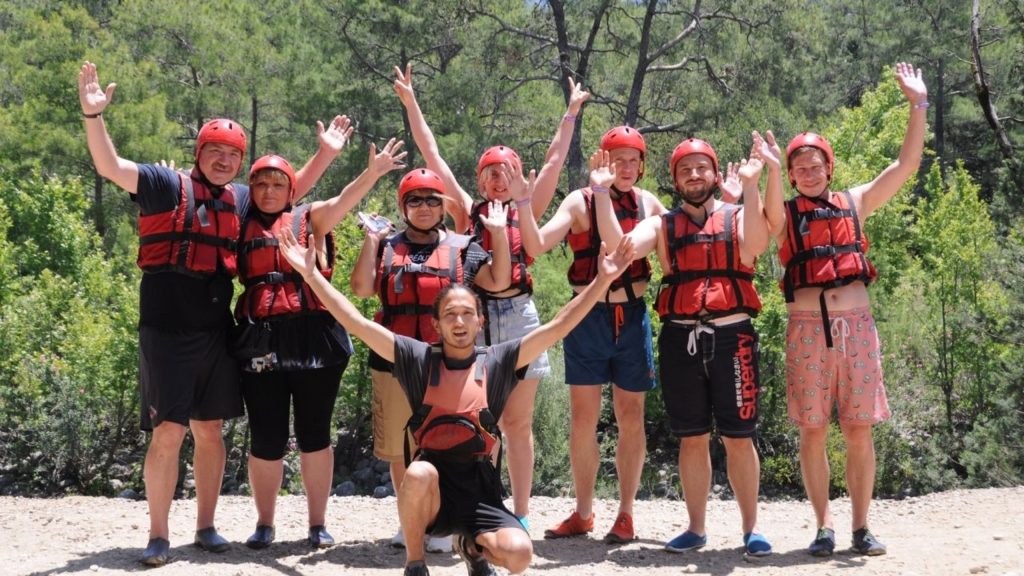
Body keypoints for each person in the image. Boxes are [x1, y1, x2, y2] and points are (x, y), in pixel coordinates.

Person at [77, 60, 350, 565]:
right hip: (165, 328)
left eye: (232, 155)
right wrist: (95, 118)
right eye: (214, 152)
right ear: (198, 154)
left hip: (217, 331)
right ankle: (158, 534)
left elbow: (290, 189)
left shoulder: (242, 198)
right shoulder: (164, 184)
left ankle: (206, 525)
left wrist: (325, 154)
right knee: (168, 431)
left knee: (209, 430)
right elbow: (110, 168)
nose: (223, 161)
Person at [277, 222, 636, 576]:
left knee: (519, 556)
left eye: (467, 314)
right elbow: (356, 322)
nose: (459, 322)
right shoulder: (417, 358)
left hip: (481, 492)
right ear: (437, 325)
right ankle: (416, 563)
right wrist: (311, 277)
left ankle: (472, 548)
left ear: (480, 321)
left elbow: (559, 325)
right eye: (450, 315)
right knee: (416, 473)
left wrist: (602, 280)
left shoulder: (498, 361)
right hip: (433, 491)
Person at [392, 62, 590, 527]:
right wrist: (411, 102)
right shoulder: (466, 210)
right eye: (490, 173)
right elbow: (433, 154)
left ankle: (519, 512)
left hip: (519, 315)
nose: (498, 180)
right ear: (480, 181)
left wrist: (571, 114)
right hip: (473, 320)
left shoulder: (528, 207)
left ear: (517, 175)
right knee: (482, 423)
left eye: (506, 172)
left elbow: (556, 159)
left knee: (518, 425)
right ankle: (479, 505)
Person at [764, 62, 927, 557]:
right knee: (812, 430)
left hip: (856, 327)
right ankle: (823, 527)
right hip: (808, 329)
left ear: (828, 168)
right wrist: (770, 170)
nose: (808, 173)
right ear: (791, 174)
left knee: (858, 429)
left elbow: (905, 168)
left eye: (816, 165)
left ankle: (861, 527)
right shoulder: (785, 213)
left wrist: (917, 105)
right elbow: (769, 215)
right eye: (798, 167)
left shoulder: (853, 202)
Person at [591, 134, 776, 556]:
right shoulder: (661, 225)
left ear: (714, 173)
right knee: (692, 437)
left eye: (701, 167)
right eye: (684, 169)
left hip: (733, 336)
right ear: (675, 179)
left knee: (738, 437)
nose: (694, 175)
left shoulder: (736, 215)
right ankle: (696, 528)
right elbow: (618, 248)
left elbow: (757, 246)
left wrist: (751, 185)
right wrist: (601, 192)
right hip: (681, 338)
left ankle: (752, 530)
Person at [235, 140, 407, 549]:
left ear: (291, 190)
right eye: (261, 184)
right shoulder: (240, 225)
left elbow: (345, 201)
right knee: (266, 436)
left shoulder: (311, 219)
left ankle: (317, 523)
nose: (270, 191)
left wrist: (374, 172)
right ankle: (264, 524)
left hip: (316, 338)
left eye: (278, 184)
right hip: (262, 339)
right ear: (251, 189)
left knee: (315, 434)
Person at [515, 126, 665, 544]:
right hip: (587, 317)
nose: (627, 167)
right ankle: (583, 512)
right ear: (602, 160)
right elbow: (537, 244)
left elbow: (624, 250)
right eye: (618, 158)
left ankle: (626, 513)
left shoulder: (648, 203)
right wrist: (524, 203)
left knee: (630, 416)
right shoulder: (578, 201)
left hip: (631, 315)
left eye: (634, 159)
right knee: (583, 419)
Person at [349, 166, 511, 553]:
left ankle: (442, 526)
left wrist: (500, 234)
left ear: (443, 206)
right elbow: (361, 288)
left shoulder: (463, 245)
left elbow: (499, 280)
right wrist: (373, 240)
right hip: (396, 361)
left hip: (448, 364)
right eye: (415, 200)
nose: (424, 207)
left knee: (449, 441)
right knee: (398, 447)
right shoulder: (387, 245)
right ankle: (411, 524)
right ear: (403, 206)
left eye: (432, 200)